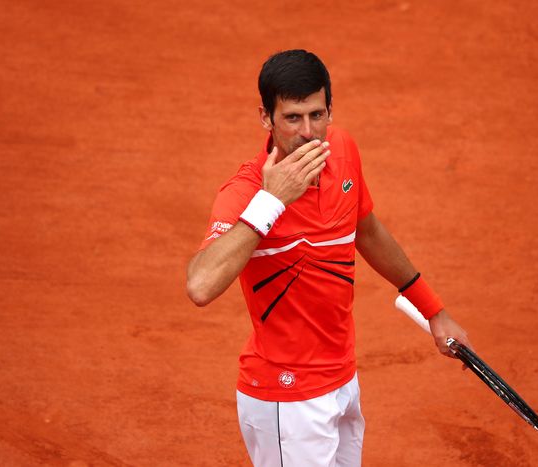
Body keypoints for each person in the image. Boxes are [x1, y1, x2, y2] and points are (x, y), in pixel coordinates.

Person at [187, 49, 472, 467]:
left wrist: (434, 310)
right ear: (266, 118)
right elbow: (199, 285)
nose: (309, 133)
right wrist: (271, 201)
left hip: (341, 381)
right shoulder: (244, 193)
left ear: (330, 111)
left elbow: (367, 229)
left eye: (317, 115)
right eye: (293, 118)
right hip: (287, 398)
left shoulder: (343, 150)